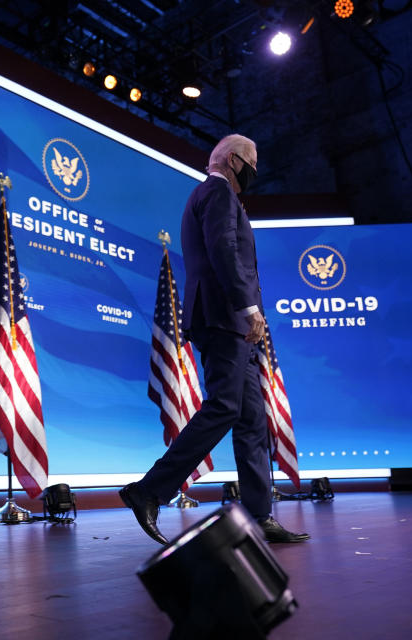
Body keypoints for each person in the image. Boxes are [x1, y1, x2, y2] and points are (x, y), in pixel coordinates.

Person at [120, 134, 309, 545]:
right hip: (223, 318)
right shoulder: (217, 192)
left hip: (229, 322)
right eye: (251, 163)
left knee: (251, 419)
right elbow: (224, 249)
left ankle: (260, 516)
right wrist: (249, 307)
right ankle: (149, 490)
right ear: (232, 160)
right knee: (224, 406)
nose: (254, 173)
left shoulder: (218, 195)